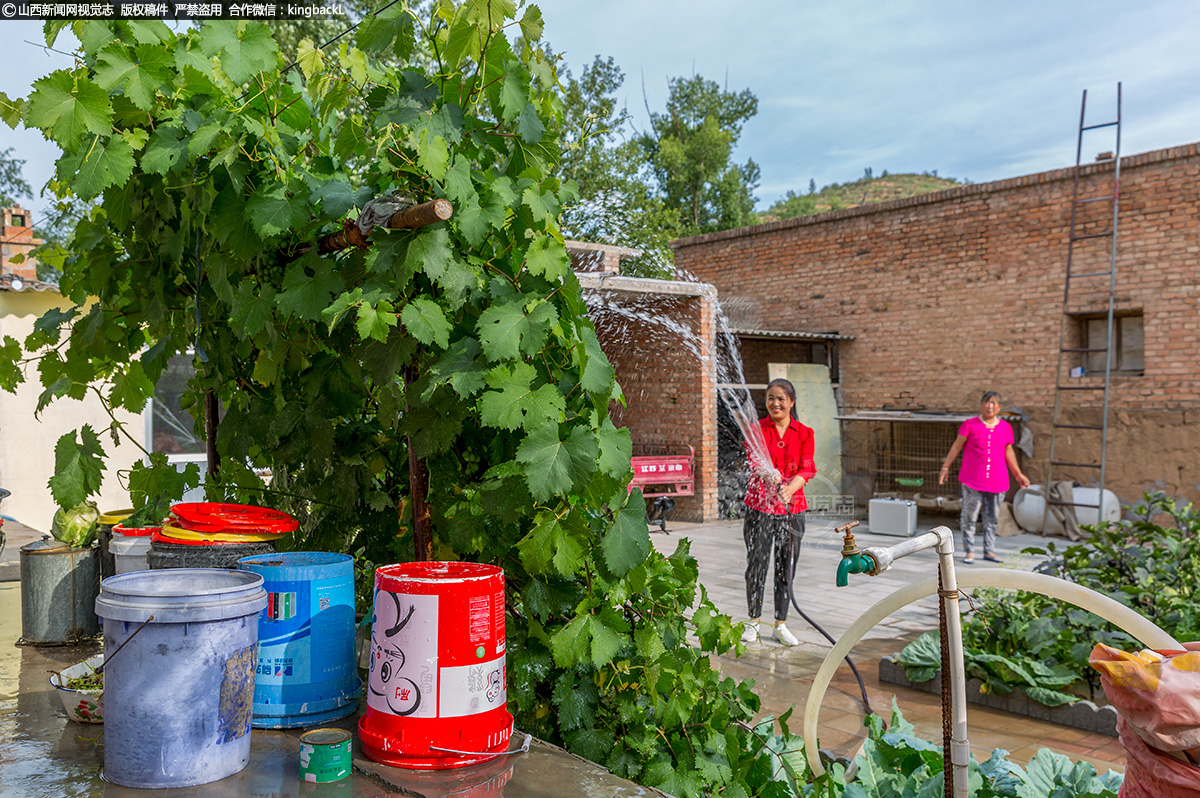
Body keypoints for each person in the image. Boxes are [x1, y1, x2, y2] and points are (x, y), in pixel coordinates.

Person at [740, 378, 817, 646]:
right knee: (757, 563)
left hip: (792, 510)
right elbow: (754, 460)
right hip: (759, 508)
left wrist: (791, 488)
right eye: (771, 398)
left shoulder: (805, 432)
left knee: (786, 565)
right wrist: (768, 473)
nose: (776, 403)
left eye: (781, 398)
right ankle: (753, 622)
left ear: (792, 402)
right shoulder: (756, 429)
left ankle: (780, 623)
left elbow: (808, 468)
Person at [938, 391, 1031, 564]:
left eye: (994, 403)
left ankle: (989, 551)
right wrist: (945, 467)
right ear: (981, 405)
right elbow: (956, 447)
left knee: (993, 518)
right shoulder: (969, 425)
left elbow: (1008, 452)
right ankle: (969, 551)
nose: (990, 406)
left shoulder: (1005, 427)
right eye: (987, 402)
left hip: (998, 481)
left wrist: (1018, 474)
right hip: (972, 479)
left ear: (999, 407)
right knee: (970, 516)